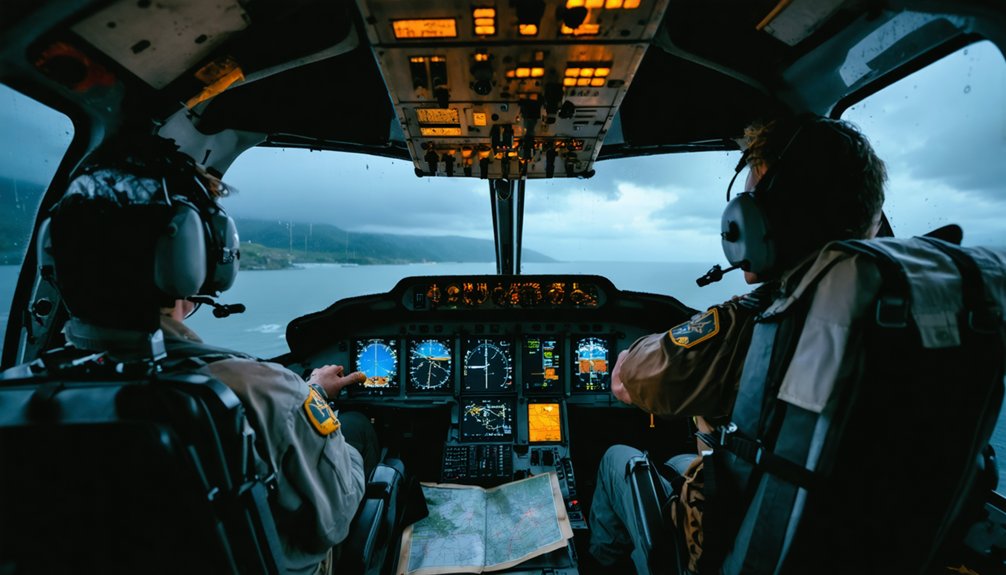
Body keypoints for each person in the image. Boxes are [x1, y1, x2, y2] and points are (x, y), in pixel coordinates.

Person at [42, 134, 378, 575]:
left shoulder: (23, 394)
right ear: (199, 255)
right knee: (360, 434)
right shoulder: (260, 390)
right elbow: (333, 519)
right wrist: (313, 398)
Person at [587, 114, 888, 573]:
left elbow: (630, 382)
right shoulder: (912, 314)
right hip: (858, 539)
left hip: (734, 547)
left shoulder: (762, 322)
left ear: (757, 223)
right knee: (679, 458)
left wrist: (631, 356)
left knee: (616, 459)